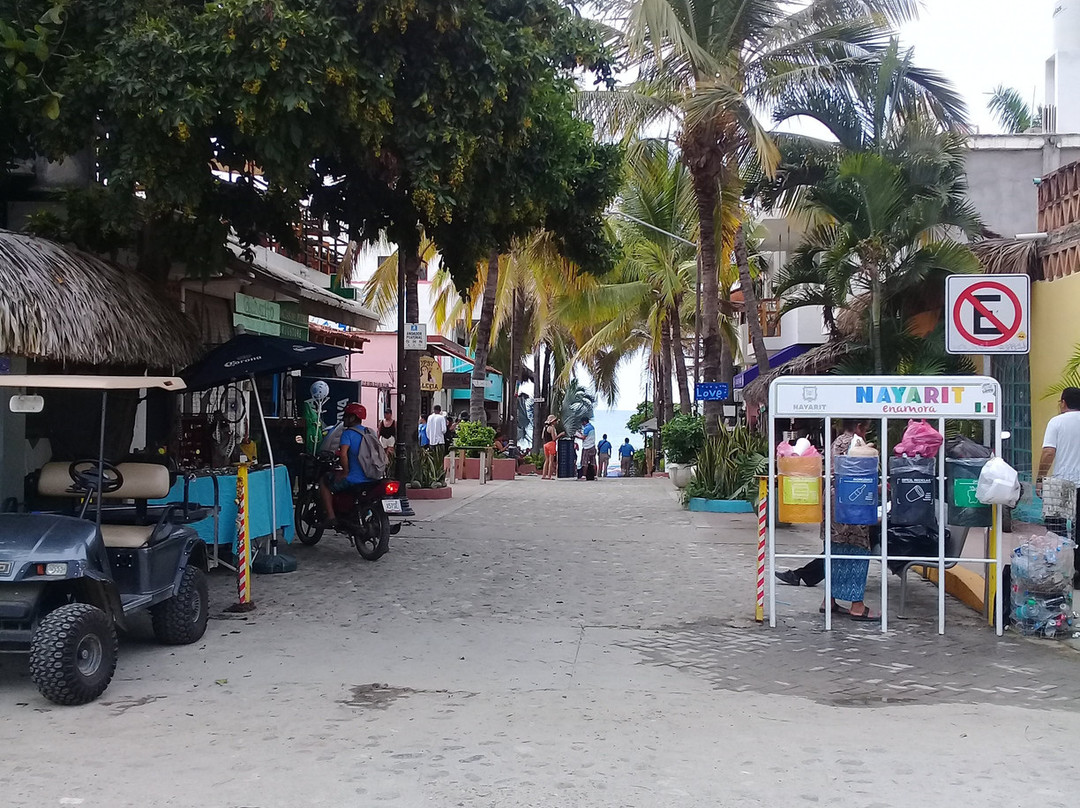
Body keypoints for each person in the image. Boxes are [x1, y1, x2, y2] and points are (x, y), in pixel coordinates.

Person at [775, 420, 877, 620]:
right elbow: (859, 477)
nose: (865, 433)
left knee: (833, 551)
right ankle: (857, 605)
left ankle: (828, 600)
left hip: (831, 503)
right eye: (865, 429)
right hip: (851, 505)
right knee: (856, 553)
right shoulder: (856, 443)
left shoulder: (837, 442)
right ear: (858, 426)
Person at [1037, 386, 1080, 588]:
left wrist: (1040, 479)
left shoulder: (1057, 422)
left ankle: (1059, 571)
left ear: (1063, 403)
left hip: (1061, 484)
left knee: (1055, 529)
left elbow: (1048, 452)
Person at [319, 403, 370, 527]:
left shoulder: (348, 434)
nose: (344, 419)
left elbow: (343, 454)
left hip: (353, 479)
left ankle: (331, 517)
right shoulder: (369, 432)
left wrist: (345, 472)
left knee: (324, 481)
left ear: (353, 418)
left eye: (346, 416)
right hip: (371, 478)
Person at [541, 415, 564, 480]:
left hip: (545, 444)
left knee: (546, 460)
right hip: (551, 444)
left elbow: (542, 436)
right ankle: (549, 476)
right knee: (551, 461)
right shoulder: (552, 428)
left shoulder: (545, 428)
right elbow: (554, 438)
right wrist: (560, 434)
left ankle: (544, 475)